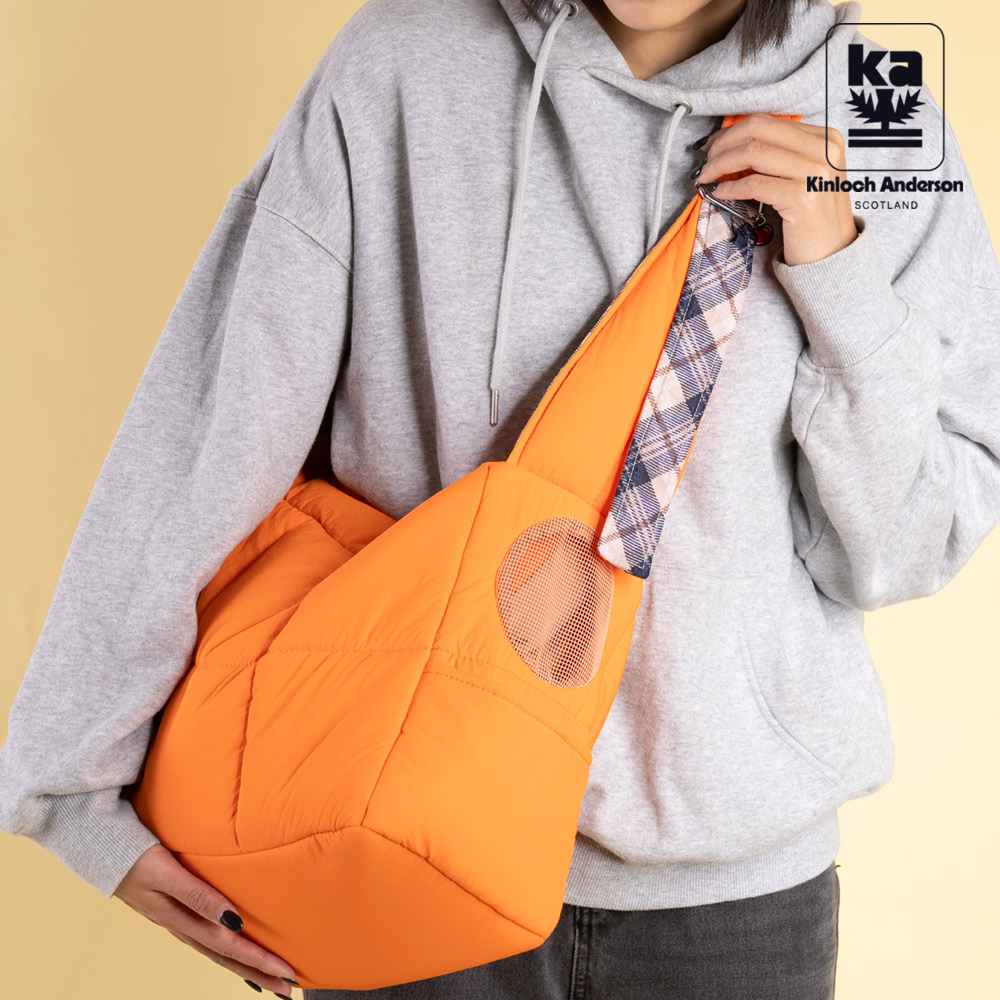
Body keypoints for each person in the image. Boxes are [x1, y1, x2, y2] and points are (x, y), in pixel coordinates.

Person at [2, 0, 999, 996]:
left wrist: (842, 278)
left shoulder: (883, 117)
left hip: (730, 897)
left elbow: (905, 548)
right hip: (399, 834)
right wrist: (73, 785)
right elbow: (216, 423)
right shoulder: (403, 64)